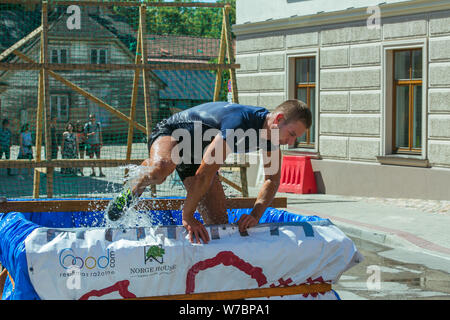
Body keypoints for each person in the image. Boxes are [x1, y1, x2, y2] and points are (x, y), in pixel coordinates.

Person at [106, 100, 312, 244]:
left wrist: (255, 215)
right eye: (291, 134)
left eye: (296, 139)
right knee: (161, 170)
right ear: (278, 119)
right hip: (174, 135)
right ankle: (143, 176)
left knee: (218, 223)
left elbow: (271, 180)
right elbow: (204, 174)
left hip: (198, 155)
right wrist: (188, 216)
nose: (291, 142)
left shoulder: (273, 138)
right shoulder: (239, 124)